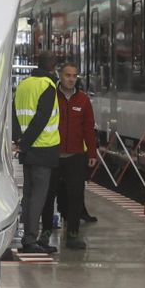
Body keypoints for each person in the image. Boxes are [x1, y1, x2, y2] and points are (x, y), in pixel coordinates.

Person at [39, 62, 99, 250]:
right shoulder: (50, 96)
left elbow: (88, 128)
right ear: (60, 75)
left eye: (74, 76)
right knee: (48, 195)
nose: (71, 79)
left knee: (75, 195)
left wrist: (91, 152)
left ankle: (72, 233)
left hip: (75, 156)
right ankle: (46, 230)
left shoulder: (83, 100)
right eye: (67, 75)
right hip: (52, 154)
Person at [13, 51, 61, 254]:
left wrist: (19, 140)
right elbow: (41, 119)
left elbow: (14, 114)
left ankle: (28, 235)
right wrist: (25, 143)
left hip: (28, 149)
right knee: (38, 197)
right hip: (43, 148)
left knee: (30, 194)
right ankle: (30, 239)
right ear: (52, 66)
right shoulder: (48, 86)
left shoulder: (24, 84)